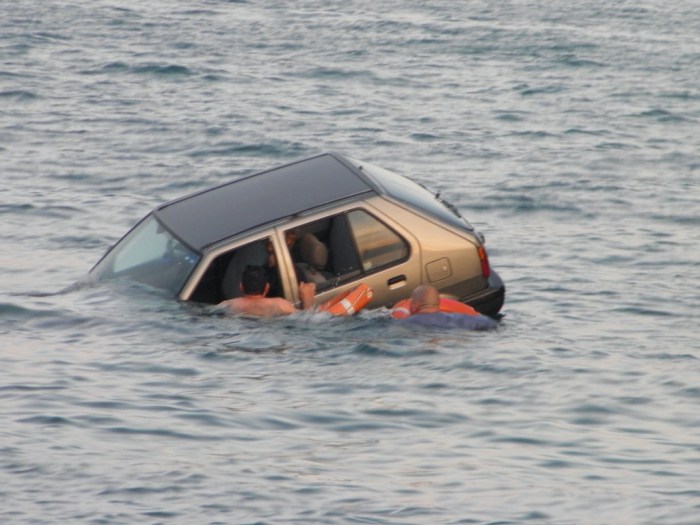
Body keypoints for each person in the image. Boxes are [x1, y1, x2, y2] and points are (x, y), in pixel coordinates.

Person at [219, 265, 315, 317]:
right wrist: (308, 301)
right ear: (267, 288)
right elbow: (307, 321)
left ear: (241, 287)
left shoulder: (227, 305)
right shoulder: (279, 304)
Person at [397, 285, 498, 330]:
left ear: (415, 305)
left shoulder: (406, 323)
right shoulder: (462, 318)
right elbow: (491, 324)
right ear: (438, 304)